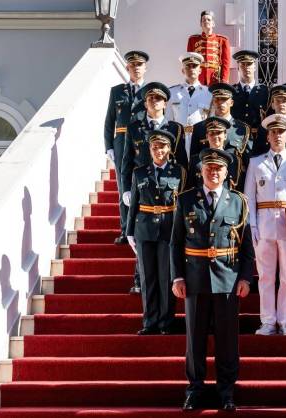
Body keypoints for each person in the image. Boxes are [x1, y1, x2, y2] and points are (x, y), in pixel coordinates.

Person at [171, 148, 255, 412]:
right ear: (201, 171)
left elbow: (246, 246)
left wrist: (245, 278)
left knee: (227, 340)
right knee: (195, 340)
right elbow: (175, 243)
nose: (213, 172)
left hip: (227, 280)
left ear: (226, 172)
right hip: (195, 280)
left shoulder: (238, 201)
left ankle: (226, 391)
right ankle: (194, 390)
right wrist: (177, 277)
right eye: (209, 168)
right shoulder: (186, 200)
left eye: (218, 168)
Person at [244, 113, 286, 336]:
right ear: (267, 136)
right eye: (273, 132)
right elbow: (249, 197)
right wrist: (252, 226)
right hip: (264, 224)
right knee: (265, 276)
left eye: (281, 132)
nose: (277, 136)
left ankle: (285, 321)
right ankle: (267, 321)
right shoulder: (256, 163)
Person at [126, 131, 186, 335]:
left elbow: (182, 205)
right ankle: (150, 322)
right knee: (147, 277)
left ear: (169, 149)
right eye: (155, 147)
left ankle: (165, 323)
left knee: (166, 277)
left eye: (162, 147)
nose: (158, 151)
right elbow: (134, 205)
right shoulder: (139, 173)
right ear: (150, 150)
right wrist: (129, 231)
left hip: (169, 229)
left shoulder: (179, 172)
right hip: (144, 230)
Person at [104, 50, 148, 245]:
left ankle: (140, 228)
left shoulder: (150, 92)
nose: (136, 68)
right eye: (133, 65)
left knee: (142, 186)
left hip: (141, 144)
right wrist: (108, 146)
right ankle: (125, 230)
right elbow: (109, 120)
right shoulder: (117, 91)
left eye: (139, 65)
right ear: (127, 67)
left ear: (145, 68)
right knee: (124, 188)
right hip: (121, 142)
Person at [189, 83, 252, 170]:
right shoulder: (200, 128)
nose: (220, 103)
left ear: (231, 103)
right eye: (217, 99)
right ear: (213, 102)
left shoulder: (243, 129)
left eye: (224, 99)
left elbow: (248, 163)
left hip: (233, 177)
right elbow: (194, 162)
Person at [167, 52, 212, 162]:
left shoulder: (209, 94)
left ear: (200, 70)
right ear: (183, 70)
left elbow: (211, 121)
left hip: (201, 141)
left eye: (195, 66)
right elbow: (168, 121)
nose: (191, 69)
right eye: (188, 66)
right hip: (178, 140)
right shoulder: (172, 93)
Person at [186, 116, 244, 191]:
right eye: (212, 133)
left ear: (225, 136)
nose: (215, 136)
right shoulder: (196, 161)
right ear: (207, 136)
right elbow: (190, 189)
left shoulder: (235, 160)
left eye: (219, 133)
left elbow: (239, 188)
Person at [253, 84, 286, 157]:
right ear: (272, 105)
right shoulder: (264, 128)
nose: (281, 104)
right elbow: (257, 154)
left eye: (285, 101)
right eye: (278, 101)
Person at [187, 10, 230, 85]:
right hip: (198, 78)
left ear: (213, 23)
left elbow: (226, 63)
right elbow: (189, 62)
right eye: (203, 20)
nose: (206, 21)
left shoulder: (222, 40)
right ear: (200, 24)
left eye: (208, 20)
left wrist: (224, 81)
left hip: (215, 78)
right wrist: (190, 78)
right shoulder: (193, 40)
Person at [231, 50, 269, 133]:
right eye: (242, 64)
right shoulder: (231, 91)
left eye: (249, 64)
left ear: (255, 67)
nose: (246, 67)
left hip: (259, 136)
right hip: (237, 136)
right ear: (238, 68)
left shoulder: (265, 91)